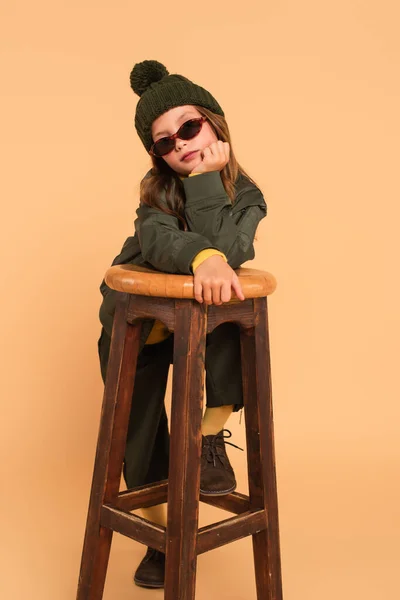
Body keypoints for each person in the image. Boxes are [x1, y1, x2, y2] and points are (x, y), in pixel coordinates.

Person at [97, 59, 268, 588]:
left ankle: (208, 436)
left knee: (219, 307)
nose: (181, 145)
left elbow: (235, 249)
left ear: (214, 122)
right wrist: (201, 257)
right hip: (140, 320)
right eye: (165, 142)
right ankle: (163, 536)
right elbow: (159, 242)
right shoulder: (156, 193)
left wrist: (207, 183)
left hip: (199, 315)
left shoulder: (248, 195)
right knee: (138, 428)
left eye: (189, 128)